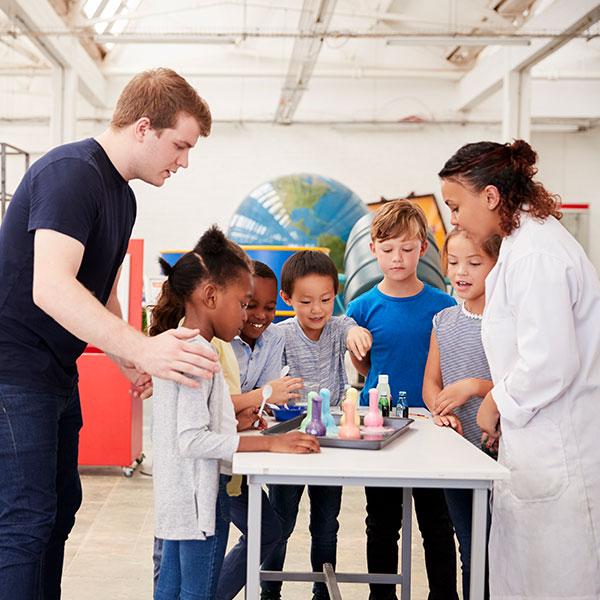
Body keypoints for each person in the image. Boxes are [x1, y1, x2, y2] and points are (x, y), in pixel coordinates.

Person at [0, 68, 221, 600]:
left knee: (57, 511)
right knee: (25, 522)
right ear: (144, 127)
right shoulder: (71, 173)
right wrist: (141, 346)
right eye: (180, 145)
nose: (184, 161)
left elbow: (100, 286)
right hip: (12, 370)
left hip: (52, 371)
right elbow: (50, 287)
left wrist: (129, 356)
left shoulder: (122, 195)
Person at [439, 139, 600, 599]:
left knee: (558, 580)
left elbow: (550, 361)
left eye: (456, 206)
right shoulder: (522, 244)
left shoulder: (536, 254)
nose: (455, 219)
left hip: (559, 453)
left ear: (490, 197)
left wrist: (496, 402)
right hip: (536, 446)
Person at [150, 226, 320, 600]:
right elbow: (192, 439)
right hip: (200, 504)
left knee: (171, 591)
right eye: (243, 303)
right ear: (211, 296)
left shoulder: (176, 344)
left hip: (178, 501)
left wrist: (241, 422)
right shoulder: (200, 355)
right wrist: (272, 446)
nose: (246, 315)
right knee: (196, 593)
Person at [346, 200, 458, 600]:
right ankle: (382, 595)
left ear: (423, 249)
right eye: (389, 249)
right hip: (382, 426)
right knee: (382, 521)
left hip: (432, 427)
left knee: (436, 522)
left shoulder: (443, 307)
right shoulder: (359, 309)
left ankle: (444, 594)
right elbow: (362, 369)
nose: (398, 258)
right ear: (373, 248)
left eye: (407, 249)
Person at [261, 250, 372, 600]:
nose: (316, 309)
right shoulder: (280, 335)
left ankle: (322, 591)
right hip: (290, 439)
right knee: (279, 523)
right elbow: (265, 384)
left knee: (326, 525)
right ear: (287, 298)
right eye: (305, 301)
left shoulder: (339, 327)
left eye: (325, 299)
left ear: (335, 295)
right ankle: (269, 590)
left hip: (330, 443)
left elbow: (353, 330)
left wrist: (359, 337)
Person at [422, 228, 501, 600]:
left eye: (474, 263)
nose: (462, 272)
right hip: (457, 454)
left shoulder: (504, 322)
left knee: (499, 551)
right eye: (453, 263)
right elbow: (431, 384)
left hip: (499, 453)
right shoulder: (443, 321)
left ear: (496, 265)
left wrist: (472, 385)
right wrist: (440, 412)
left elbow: (517, 382)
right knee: (470, 548)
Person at [216, 260, 301, 600]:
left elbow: (251, 411)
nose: (260, 316)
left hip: (240, 454)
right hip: (216, 457)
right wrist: (257, 398)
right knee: (261, 531)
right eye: (250, 305)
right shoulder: (218, 342)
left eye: (269, 307)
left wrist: (247, 410)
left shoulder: (271, 340)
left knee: (268, 531)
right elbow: (216, 405)